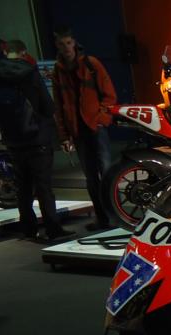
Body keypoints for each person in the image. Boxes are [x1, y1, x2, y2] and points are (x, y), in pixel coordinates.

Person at [0, 40, 71, 242]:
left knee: (23, 186)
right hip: (37, 138)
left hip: (12, 140)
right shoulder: (30, 73)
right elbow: (47, 106)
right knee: (43, 186)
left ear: (6, 52)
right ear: (24, 52)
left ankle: (28, 228)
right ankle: (53, 228)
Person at [52, 27, 116, 230]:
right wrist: (64, 135)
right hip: (78, 130)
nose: (66, 47)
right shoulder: (58, 71)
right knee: (90, 177)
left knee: (107, 172)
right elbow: (59, 106)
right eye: (61, 44)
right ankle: (102, 218)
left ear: (74, 43)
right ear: (57, 46)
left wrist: (102, 118)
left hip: (95, 125)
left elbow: (109, 94)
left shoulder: (91, 64)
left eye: (68, 43)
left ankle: (115, 216)